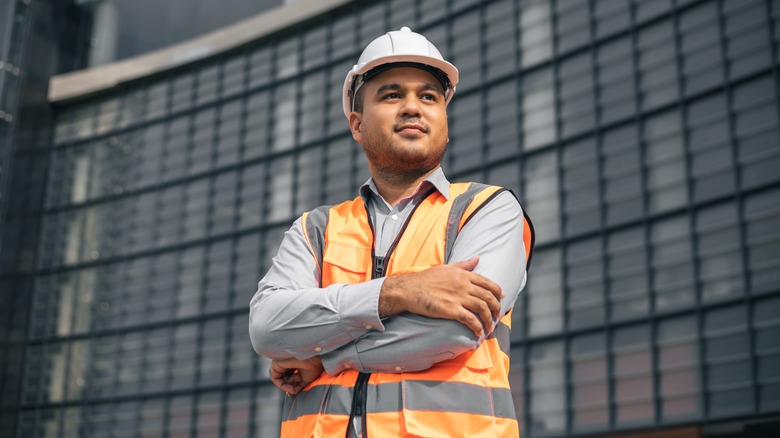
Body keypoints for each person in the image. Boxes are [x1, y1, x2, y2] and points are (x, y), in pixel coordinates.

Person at [249, 26, 534, 437]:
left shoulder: (486, 209)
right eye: (392, 94)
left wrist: (325, 357)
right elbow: (267, 328)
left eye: (429, 96)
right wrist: (396, 292)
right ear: (357, 124)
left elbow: (455, 327)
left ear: (445, 121)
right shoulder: (315, 229)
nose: (413, 107)